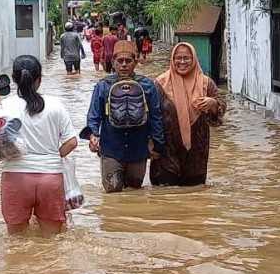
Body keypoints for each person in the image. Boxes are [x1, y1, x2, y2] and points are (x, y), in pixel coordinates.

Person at [0, 55, 78, 236]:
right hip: (50, 179)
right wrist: (53, 158)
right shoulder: (56, 105)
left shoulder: (5, 106)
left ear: (14, 79)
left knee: (16, 243)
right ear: (39, 79)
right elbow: (71, 142)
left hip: (16, 178)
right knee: (52, 243)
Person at [84, 41, 166, 193]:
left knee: (134, 192)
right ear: (113, 63)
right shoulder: (103, 86)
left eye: (128, 61)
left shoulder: (148, 86)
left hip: (139, 149)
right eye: (119, 61)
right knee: (113, 191)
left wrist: (157, 144)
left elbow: (156, 117)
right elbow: (94, 115)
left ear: (135, 62)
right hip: (111, 149)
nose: (123, 65)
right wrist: (93, 135)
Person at [150, 43, 226, 186]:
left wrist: (213, 104)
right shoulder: (160, 84)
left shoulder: (206, 83)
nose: (182, 62)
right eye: (178, 58)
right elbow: (151, 116)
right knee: (164, 196)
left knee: (195, 198)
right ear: (172, 60)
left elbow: (219, 114)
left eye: (187, 58)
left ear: (194, 59)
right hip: (166, 152)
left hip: (196, 152)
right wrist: (150, 144)